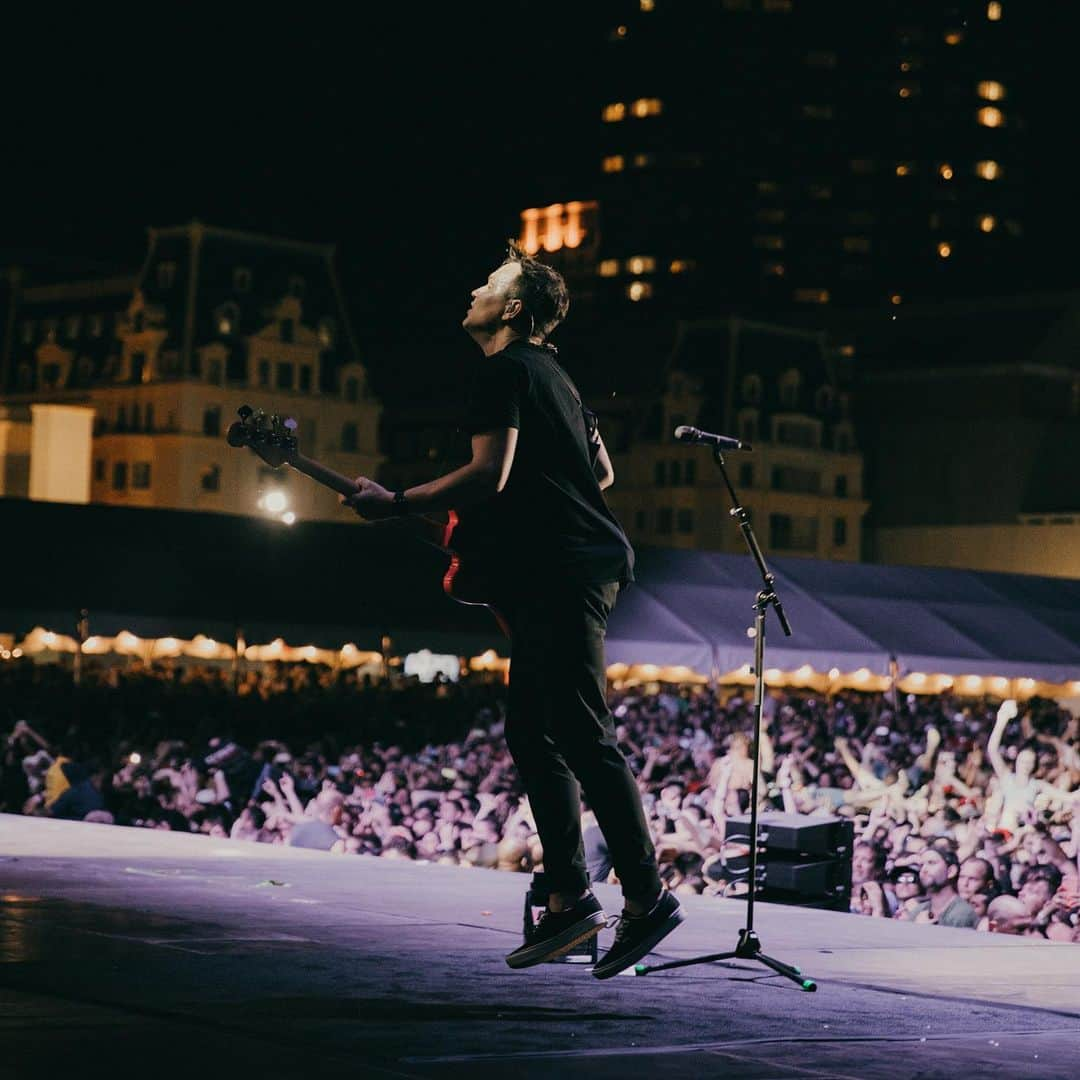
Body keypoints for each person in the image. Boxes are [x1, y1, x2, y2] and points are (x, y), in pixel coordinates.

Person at [341, 241, 681, 978]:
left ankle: (646, 898)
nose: (475, 288)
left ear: (515, 308)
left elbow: (488, 474)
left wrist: (396, 501)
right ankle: (567, 896)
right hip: (561, 569)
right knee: (533, 730)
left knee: (583, 736)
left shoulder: (504, 371)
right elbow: (602, 469)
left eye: (490, 283)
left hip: (565, 572)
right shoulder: (554, 375)